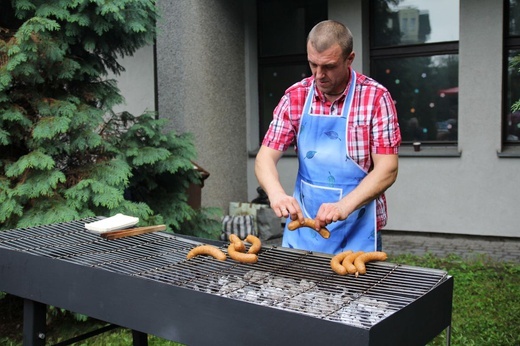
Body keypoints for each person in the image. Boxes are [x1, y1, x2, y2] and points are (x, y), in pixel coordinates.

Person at [255, 20, 401, 255]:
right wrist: (276, 194)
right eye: (313, 64)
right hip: (302, 231)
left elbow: (388, 169)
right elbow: (264, 158)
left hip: (358, 231)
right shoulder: (296, 97)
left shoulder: (376, 98)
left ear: (349, 59)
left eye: (329, 66)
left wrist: (345, 206)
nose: (319, 75)